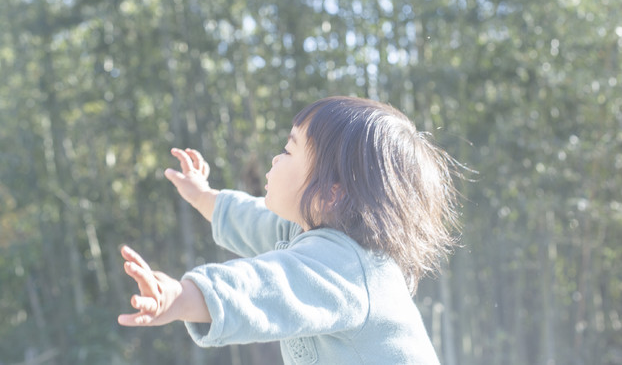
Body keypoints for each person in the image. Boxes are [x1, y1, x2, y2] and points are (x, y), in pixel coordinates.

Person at [118, 96, 461, 364]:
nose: (275, 159)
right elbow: (249, 218)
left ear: (332, 191)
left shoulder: (343, 266)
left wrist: (179, 298)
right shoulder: (304, 230)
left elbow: (261, 286)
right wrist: (202, 195)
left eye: (288, 149)